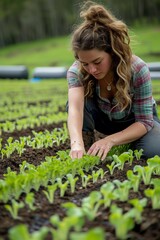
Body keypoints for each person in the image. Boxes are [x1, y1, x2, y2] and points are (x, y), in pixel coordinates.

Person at [66, 1, 160, 161]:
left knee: (153, 151)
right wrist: (76, 143)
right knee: (75, 104)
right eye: (85, 63)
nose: (91, 69)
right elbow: (75, 109)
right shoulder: (76, 72)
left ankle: (128, 140)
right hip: (105, 121)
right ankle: (88, 147)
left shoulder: (138, 69)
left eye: (97, 62)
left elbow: (144, 121)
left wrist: (111, 140)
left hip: (137, 122)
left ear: (112, 51)